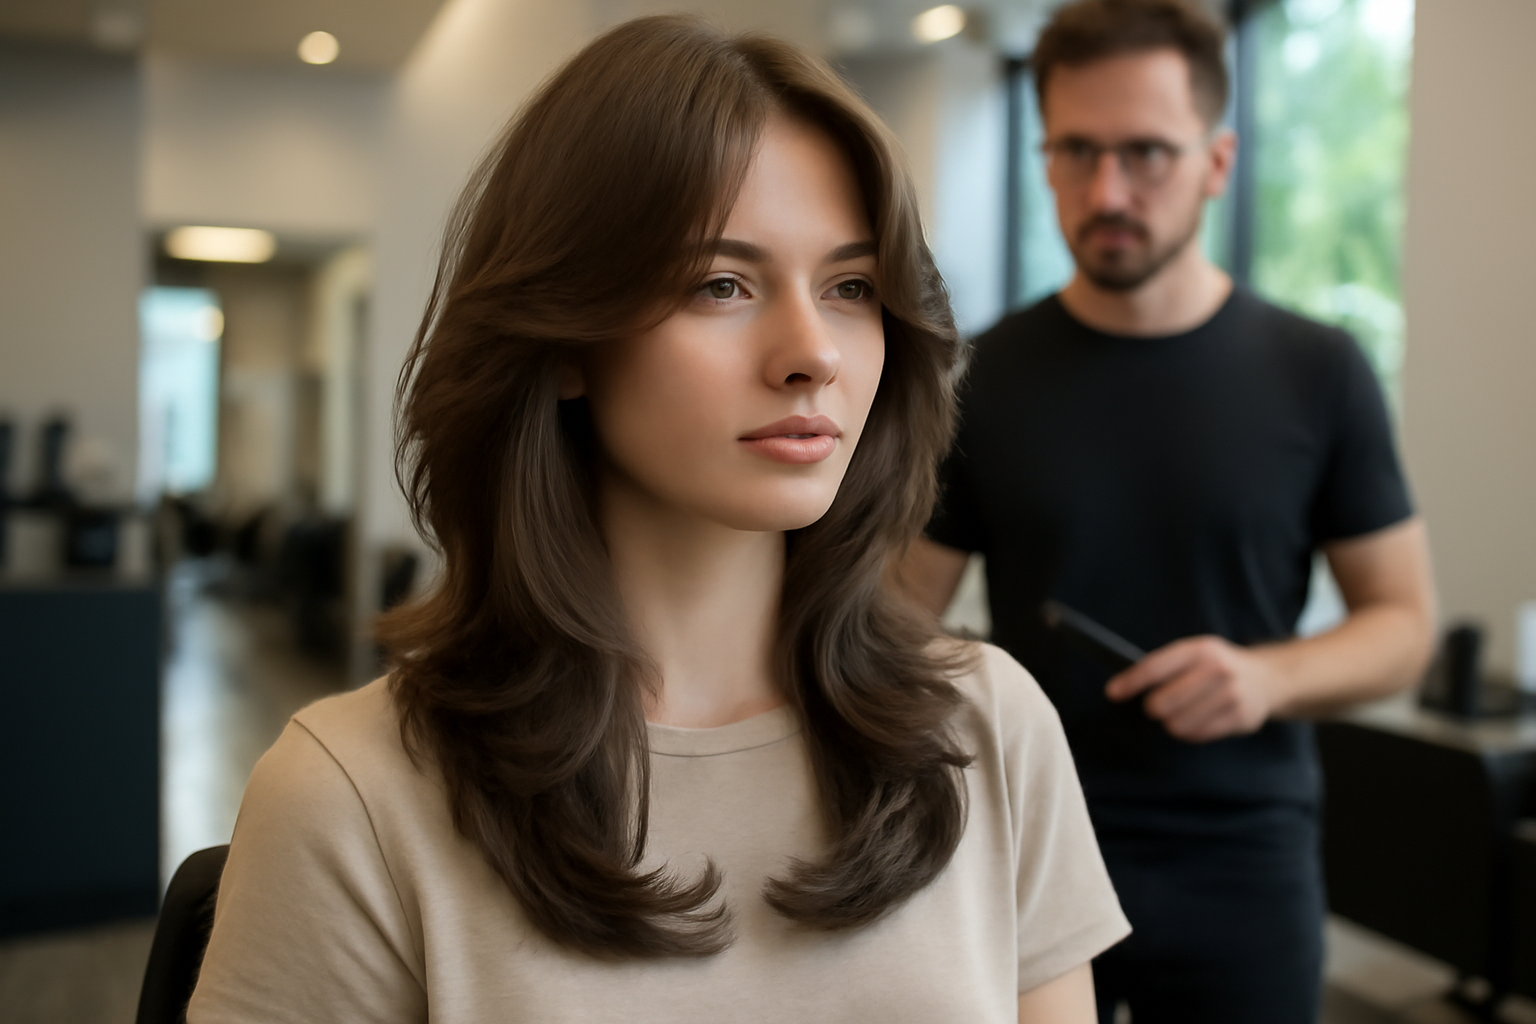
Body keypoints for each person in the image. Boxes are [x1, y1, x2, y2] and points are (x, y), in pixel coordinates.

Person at [187, 16, 1128, 1024]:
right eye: (722, 284)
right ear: (564, 339)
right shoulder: (354, 797)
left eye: (850, 287)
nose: (814, 353)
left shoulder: (990, 725)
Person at [896, 1, 1437, 1021]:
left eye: (1145, 153)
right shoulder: (984, 379)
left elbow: (1403, 628)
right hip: (1029, 843)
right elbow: (891, 618)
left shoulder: (1319, 371)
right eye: (1077, 152)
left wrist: (1265, 678)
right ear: (1046, 158)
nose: (1107, 192)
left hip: (1243, 861)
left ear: (1218, 162)